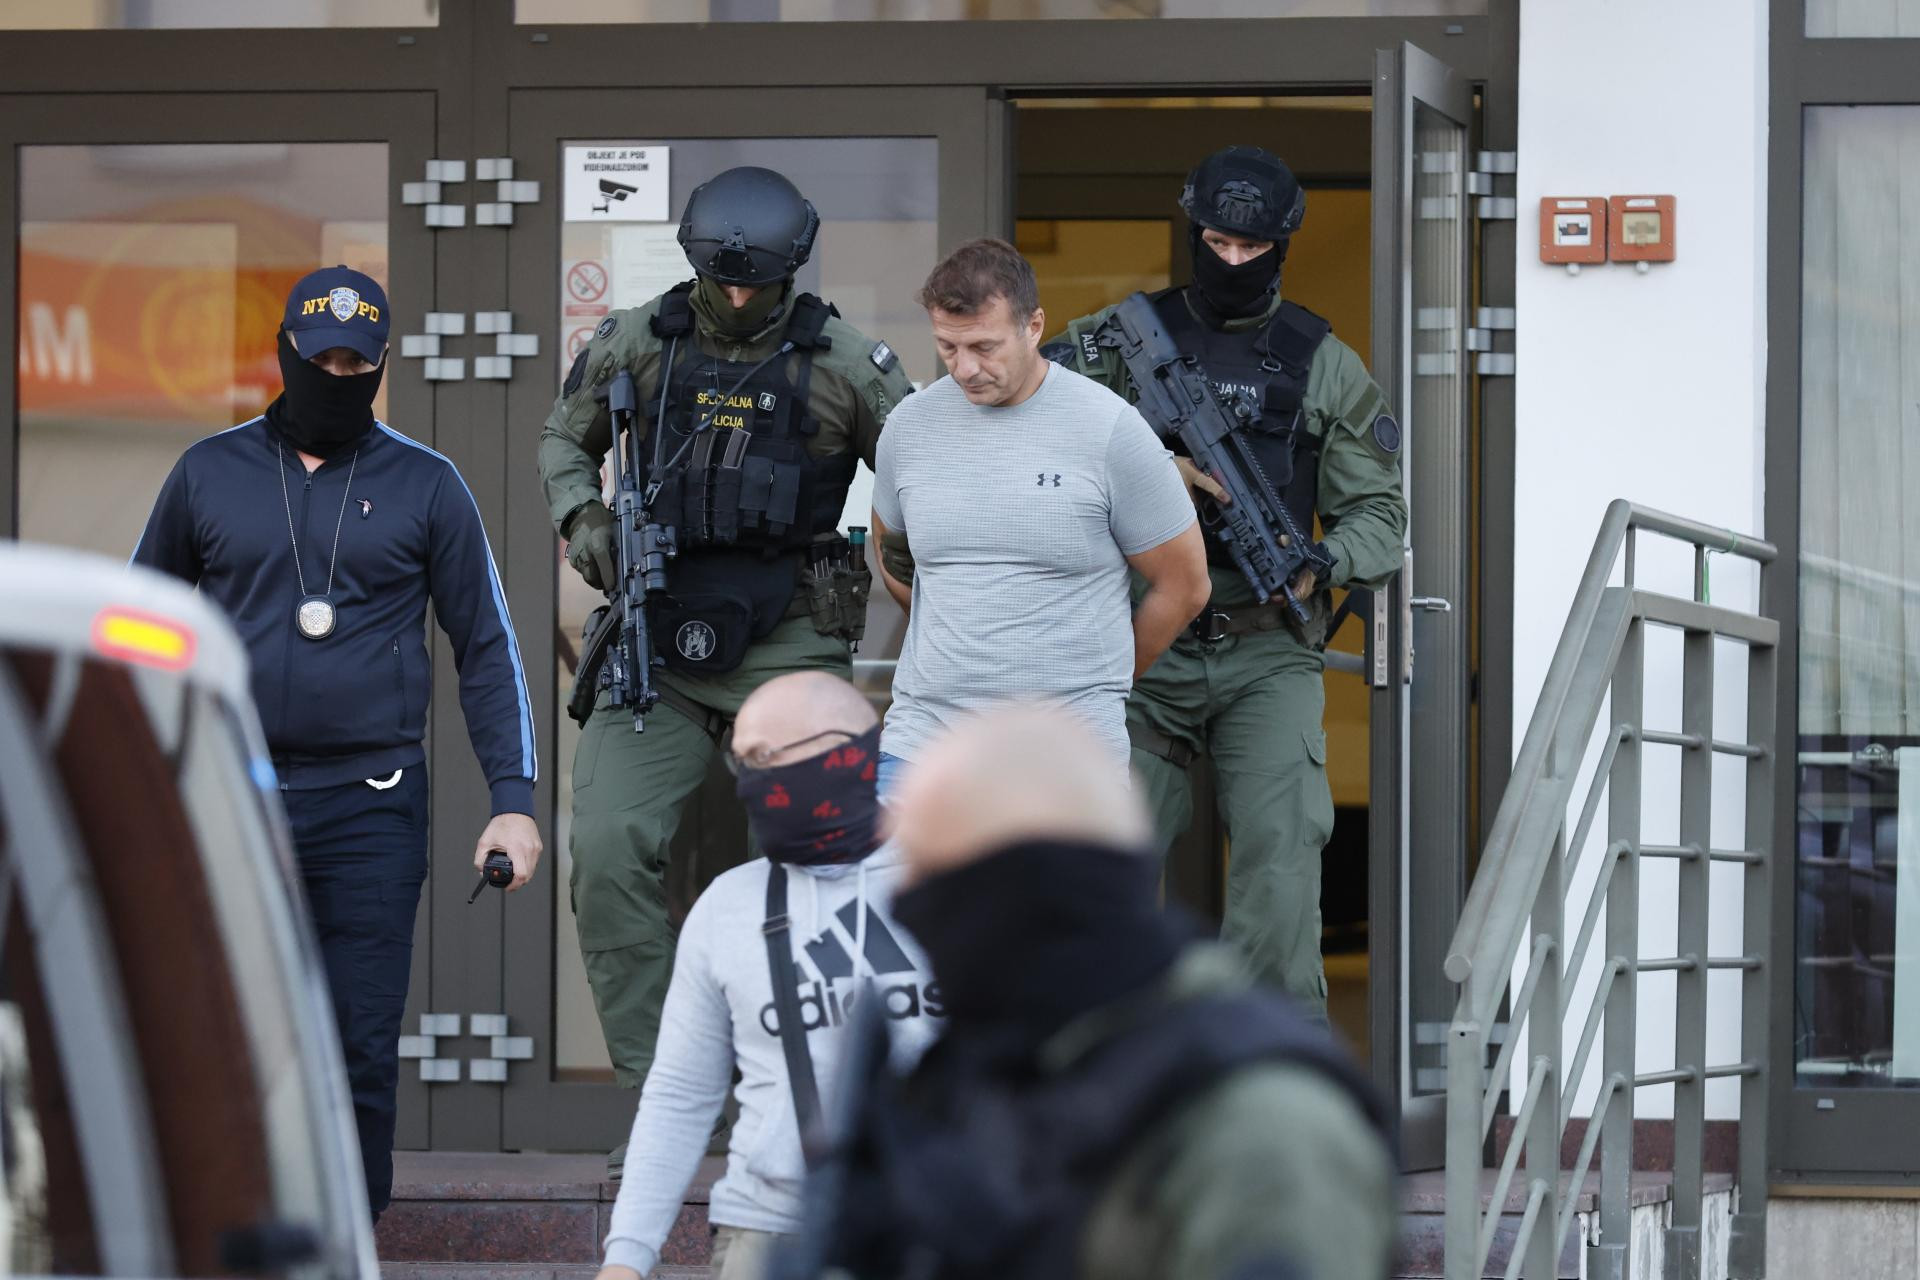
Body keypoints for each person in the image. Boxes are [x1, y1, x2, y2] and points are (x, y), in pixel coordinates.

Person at [132, 265, 541, 1220]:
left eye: (358, 365)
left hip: (373, 805)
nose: (338, 378)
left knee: (357, 1045)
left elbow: (488, 647)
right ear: (285, 353)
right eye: (322, 361)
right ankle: (227, 1234)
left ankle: (345, 1241)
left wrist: (513, 802)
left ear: (382, 366)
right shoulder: (207, 472)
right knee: (222, 1033)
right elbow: (141, 630)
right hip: (232, 798)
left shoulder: (428, 483)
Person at [538, 167, 917, 1138]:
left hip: (789, 640)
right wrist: (586, 520)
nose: (740, 298)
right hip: (656, 640)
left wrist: (923, 576)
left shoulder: (844, 362)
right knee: (608, 850)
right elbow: (563, 442)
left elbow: (926, 477)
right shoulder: (639, 340)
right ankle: (668, 1103)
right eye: (724, 281)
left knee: (812, 872)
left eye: (759, 283)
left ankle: (800, 1107)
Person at [784, 706, 1397, 1280]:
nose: (907, 914)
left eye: (928, 882)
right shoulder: (1004, 1074)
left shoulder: (1259, 1125)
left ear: (1021, 888)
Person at [1043, 146, 1408, 1021]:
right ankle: (1101, 1062)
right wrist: (1151, 465)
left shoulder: (1324, 363)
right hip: (1145, 640)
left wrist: (1324, 561)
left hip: (1265, 647)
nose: (1233, 261)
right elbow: (1030, 419)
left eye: (1252, 248)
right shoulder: (1125, 339)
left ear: (1281, 246)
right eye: (1217, 243)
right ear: (1193, 233)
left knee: (1281, 865)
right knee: (1105, 862)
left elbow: (1380, 517)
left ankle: (1266, 1065)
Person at [593, 672, 942, 1280]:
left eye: (766, 757)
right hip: (767, 1234)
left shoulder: (953, 882)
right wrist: (626, 1258)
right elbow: (679, 1095)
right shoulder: (728, 907)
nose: (751, 782)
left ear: (842, 751)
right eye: (743, 762)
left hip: (938, 1227)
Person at [868, 239, 1208, 791]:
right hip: (923, 745)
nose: (965, 368)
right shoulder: (909, 427)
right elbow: (893, 553)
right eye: (948, 347)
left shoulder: (1110, 428)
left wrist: (1101, 684)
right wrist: (960, 632)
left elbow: (1185, 584)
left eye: (984, 346)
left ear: (1034, 326)